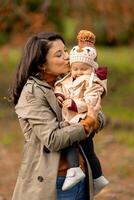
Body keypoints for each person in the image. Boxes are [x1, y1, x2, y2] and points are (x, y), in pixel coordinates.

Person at [10, 31, 105, 200]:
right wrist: (88, 122)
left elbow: (97, 113)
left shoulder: (69, 82)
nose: (68, 57)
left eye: (66, 51)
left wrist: (94, 119)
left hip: (82, 174)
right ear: (42, 65)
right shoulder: (32, 94)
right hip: (54, 182)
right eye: (59, 54)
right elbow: (53, 139)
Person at [54, 30, 109, 194]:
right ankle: (98, 178)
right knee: (87, 149)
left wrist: (74, 104)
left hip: (82, 117)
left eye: (82, 69)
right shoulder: (69, 78)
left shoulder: (93, 82)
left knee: (72, 140)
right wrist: (59, 94)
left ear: (92, 70)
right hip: (76, 118)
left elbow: (92, 101)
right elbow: (61, 84)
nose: (78, 72)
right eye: (75, 68)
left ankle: (74, 169)